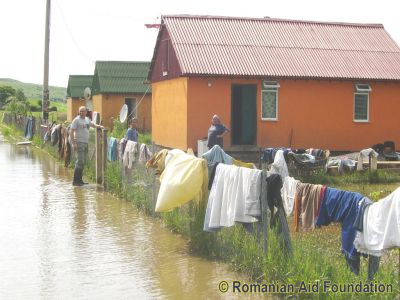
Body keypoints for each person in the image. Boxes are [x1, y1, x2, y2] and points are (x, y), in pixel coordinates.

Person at [70, 106, 104, 186]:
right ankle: (75, 181)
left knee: (83, 162)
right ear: (79, 112)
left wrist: (99, 126)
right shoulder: (76, 120)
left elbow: (92, 124)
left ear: (86, 112)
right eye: (80, 111)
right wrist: (74, 143)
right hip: (79, 142)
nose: (81, 112)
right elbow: (72, 131)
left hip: (85, 143)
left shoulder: (87, 119)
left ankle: (80, 180)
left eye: (83, 111)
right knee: (80, 161)